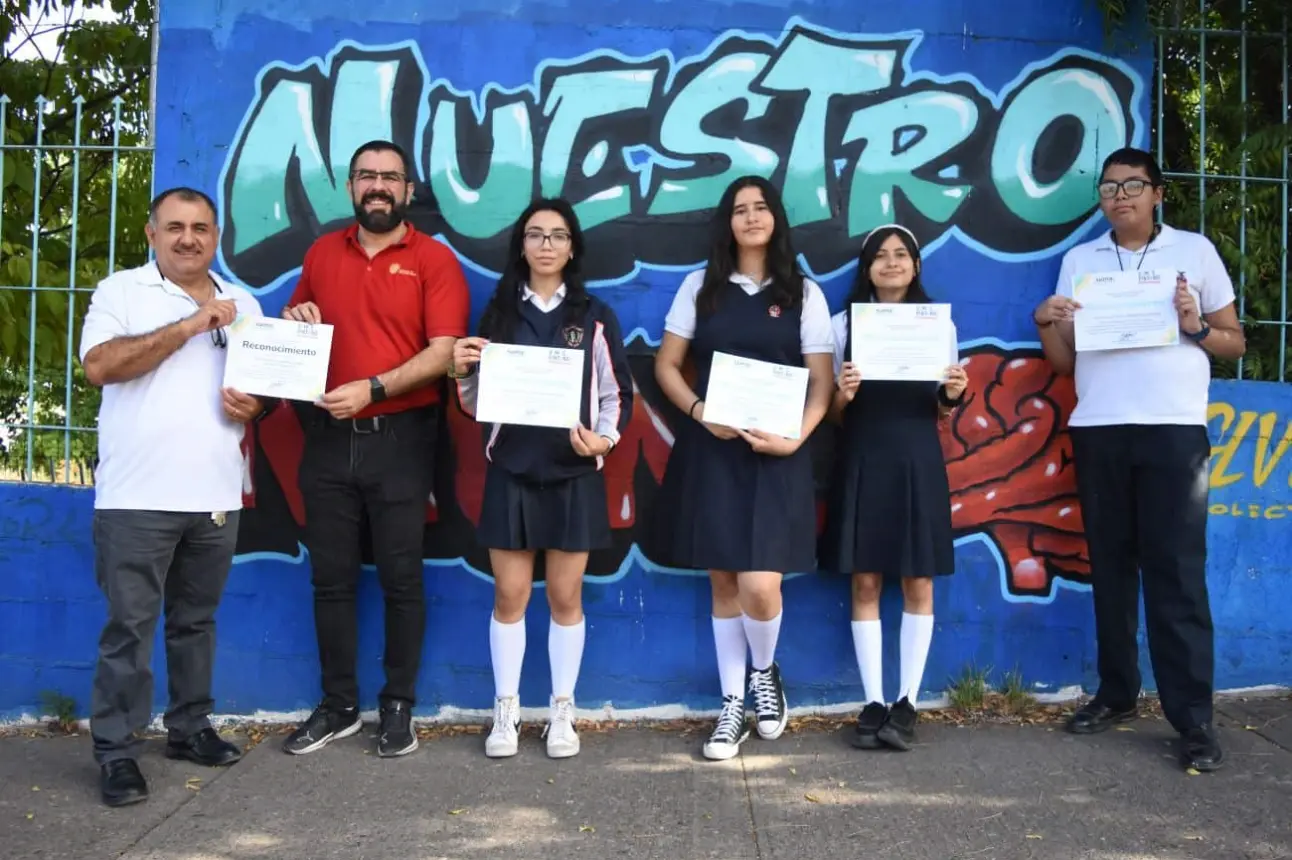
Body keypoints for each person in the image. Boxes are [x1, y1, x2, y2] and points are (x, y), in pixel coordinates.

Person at [1034, 146, 1245, 773]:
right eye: (1108, 187)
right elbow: (1065, 362)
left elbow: (1233, 343)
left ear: (1158, 193)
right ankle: (1117, 693)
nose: (1119, 195)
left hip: (1173, 432)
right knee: (1112, 569)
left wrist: (1196, 326)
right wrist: (1048, 321)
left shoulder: (1195, 253)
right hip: (1099, 428)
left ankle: (1194, 720)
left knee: (1176, 572)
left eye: (1132, 185)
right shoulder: (1081, 261)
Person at [278, 140, 471, 758]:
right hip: (328, 438)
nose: (378, 186)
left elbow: (445, 352)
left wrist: (375, 388)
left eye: (391, 177)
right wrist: (296, 317)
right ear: (351, 187)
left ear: (408, 191)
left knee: (400, 578)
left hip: (404, 439)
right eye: (367, 176)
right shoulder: (320, 253)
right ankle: (338, 706)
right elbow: (298, 327)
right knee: (330, 580)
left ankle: (397, 706)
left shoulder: (434, 260)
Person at [78, 187, 269, 807]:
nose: (189, 238)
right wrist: (191, 323)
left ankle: (189, 729)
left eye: (202, 228)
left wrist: (257, 403)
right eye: (176, 227)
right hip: (136, 497)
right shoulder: (121, 293)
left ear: (218, 235)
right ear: (151, 233)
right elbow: (101, 367)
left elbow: (262, 388)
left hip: (215, 494)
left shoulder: (245, 303)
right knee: (129, 630)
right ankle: (117, 752)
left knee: (195, 624)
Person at [653, 175, 834, 761]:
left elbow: (822, 385)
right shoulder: (698, 287)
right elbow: (667, 367)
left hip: (777, 456)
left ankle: (764, 671)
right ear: (726, 222)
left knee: (761, 584)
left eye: (761, 208)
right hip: (714, 450)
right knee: (724, 581)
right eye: (740, 209)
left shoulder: (804, 293)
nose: (751, 217)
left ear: (776, 218)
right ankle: (732, 704)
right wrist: (702, 413)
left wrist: (795, 440)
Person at [449, 198, 634, 760]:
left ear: (572, 246)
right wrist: (461, 374)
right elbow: (478, 401)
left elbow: (615, 392)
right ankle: (505, 709)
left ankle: (561, 710)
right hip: (512, 470)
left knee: (564, 595)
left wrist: (604, 440)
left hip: (573, 473)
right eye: (535, 234)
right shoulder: (499, 313)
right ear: (522, 246)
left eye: (557, 235)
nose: (546, 244)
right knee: (509, 595)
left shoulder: (594, 313)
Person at [818, 224, 968, 752]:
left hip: (917, 459)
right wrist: (843, 394)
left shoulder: (937, 326)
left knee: (917, 581)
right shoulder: (842, 327)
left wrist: (951, 396)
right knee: (864, 582)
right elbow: (831, 415)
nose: (891, 263)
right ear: (867, 268)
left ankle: (907, 702)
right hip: (862, 456)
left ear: (916, 265)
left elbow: (942, 409)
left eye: (901, 254)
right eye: (880, 256)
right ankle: (874, 701)